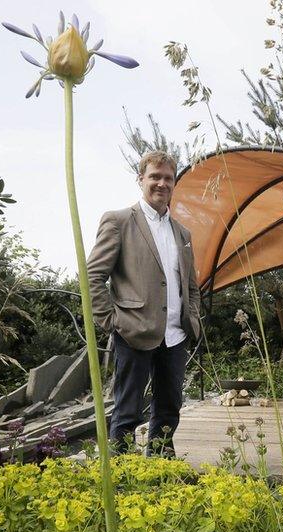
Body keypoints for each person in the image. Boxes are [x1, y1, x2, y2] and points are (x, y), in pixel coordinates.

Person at [88, 151, 200, 454]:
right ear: (141, 180)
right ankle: (123, 469)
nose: (161, 183)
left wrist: (193, 319)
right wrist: (112, 321)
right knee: (128, 408)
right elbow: (93, 276)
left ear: (174, 183)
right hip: (133, 331)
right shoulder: (119, 221)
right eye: (155, 176)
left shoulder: (183, 233)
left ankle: (162, 467)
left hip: (176, 335)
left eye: (168, 178)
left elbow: (191, 285)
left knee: (169, 407)